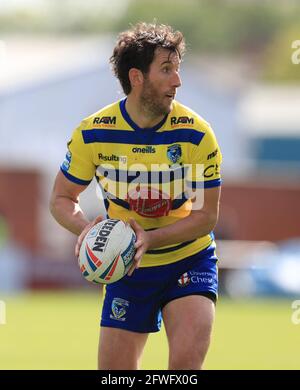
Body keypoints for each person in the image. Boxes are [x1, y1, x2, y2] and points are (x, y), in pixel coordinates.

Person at [50, 22, 222, 370]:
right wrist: (85, 230)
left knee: (186, 367)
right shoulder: (94, 133)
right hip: (126, 269)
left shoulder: (197, 135)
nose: (178, 81)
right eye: (166, 70)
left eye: (178, 69)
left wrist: (148, 238)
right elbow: (61, 199)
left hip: (188, 260)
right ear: (136, 76)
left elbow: (206, 218)